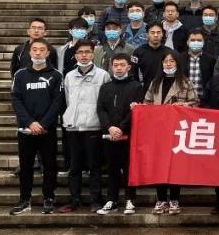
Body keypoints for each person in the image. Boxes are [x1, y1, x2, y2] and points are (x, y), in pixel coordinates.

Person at [9, 39, 62, 215]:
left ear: (48, 53)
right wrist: (30, 122)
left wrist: (44, 123)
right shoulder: (20, 75)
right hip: (26, 130)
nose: (38, 53)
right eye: (35, 49)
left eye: (42, 50)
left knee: (50, 165)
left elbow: (57, 102)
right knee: (26, 166)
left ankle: (49, 198)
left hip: (47, 130)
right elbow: (16, 100)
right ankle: (25, 200)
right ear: (30, 52)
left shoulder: (56, 75)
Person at [144, 51, 199, 214]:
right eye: (165, 61)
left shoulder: (185, 83)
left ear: (177, 63)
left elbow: (195, 103)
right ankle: (161, 199)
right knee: (158, 165)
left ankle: (174, 199)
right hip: (158, 131)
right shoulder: (155, 82)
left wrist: (184, 106)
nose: (168, 64)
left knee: (175, 166)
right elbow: (147, 103)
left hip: (177, 130)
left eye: (172, 61)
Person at [59, 40, 111, 212]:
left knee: (94, 167)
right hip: (73, 127)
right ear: (75, 55)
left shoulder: (103, 75)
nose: (84, 55)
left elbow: (105, 102)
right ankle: (74, 200)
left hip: (93, 127)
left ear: (93, 54)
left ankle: (96, 200)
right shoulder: (69, 76)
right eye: (80, 52)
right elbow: (68, 100)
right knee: (74, 167)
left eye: (87, 52)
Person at [96, 53, 145, 215]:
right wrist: (109, 127)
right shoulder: (105, 87)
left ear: (128, 67)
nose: (119, 68)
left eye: (122, 65)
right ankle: (112, 199)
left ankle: (130, 199)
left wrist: (121, 128)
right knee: (112, 168)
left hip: (129, 134)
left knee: (129, 168)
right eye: (116, 65)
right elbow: (101, 109)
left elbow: (136, 110)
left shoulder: (136, 86)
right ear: (111, 67)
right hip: (109, 134)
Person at [133, 23, 176, 88]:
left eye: (158, 32)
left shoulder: (169, 52)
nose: (156, 35)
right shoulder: (138, 52)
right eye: (152, 33)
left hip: (165, 88)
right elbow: (133, 73)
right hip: (145, 88)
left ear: (162, 34)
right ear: (147, 35)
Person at [178, 29, 216, 102]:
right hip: (184, 100)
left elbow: (212, 81)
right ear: (187, 42)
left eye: (199, 40)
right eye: (192, 40)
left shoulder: (211, 60)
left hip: (205, 100)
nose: (196, 42)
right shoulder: (179, 58)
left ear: (203, 42)